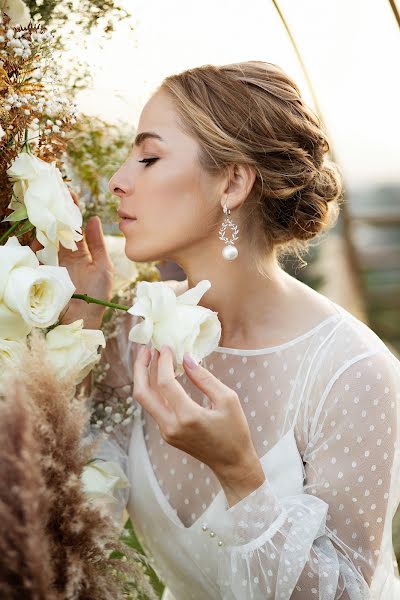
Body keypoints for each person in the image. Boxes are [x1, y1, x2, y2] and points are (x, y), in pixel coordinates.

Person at [60, 61, 400, 599]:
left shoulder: (353, 372)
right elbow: (76, 527)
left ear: (233, 182)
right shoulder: (137, 330)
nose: (117, 180)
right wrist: (79, 328)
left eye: (148, 158)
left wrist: (240, 474)